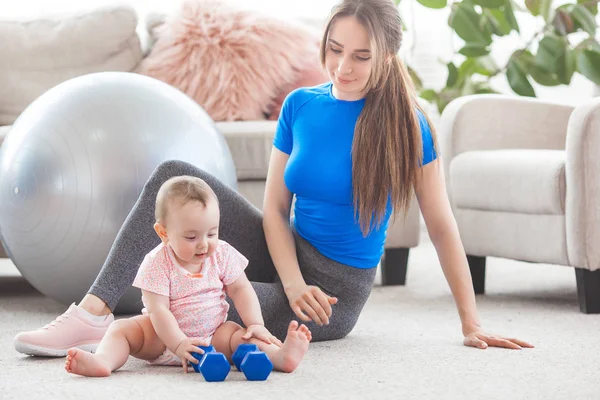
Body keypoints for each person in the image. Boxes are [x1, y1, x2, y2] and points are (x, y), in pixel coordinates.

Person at [15, 0, 533, 356]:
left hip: (332, 292)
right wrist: (289, 278)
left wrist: (472, 323)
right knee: (173, 176)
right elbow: (276, 212)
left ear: (388, 56)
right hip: (286, 258)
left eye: (360, 56)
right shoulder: (300, 105)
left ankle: (131, 337)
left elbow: (442, 227)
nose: (342, 67)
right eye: (333, 48)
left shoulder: (407, 125)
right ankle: (91, 313)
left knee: (206, 305)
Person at [64, 176, 311, 377]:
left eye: (211, 233)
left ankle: (280, 357)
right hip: (162, 339)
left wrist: (256, 323)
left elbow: (241, 290)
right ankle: (103, 361)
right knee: (122, 330)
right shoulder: (157, 262)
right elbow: (158, 311)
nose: (203, 245)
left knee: (241, 335)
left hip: (214, 334)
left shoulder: (222, 253)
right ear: (164, 233)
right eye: (191, 237)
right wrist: (179, 343)